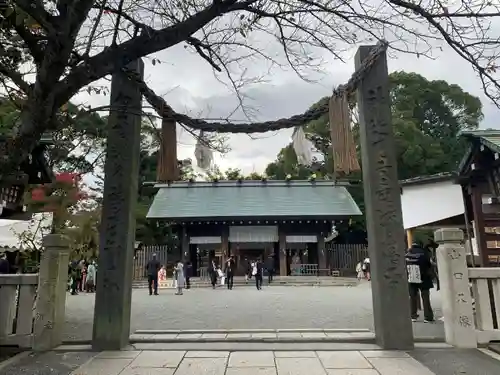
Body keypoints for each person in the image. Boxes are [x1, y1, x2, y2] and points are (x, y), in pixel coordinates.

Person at [406, 241, 435, 323]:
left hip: (411, 278)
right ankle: (428, 317)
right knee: (425, 298)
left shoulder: (408, 253)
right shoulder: (424, 253)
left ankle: (413, 316)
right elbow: (429, 264)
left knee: (412, 297)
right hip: (424, 278)